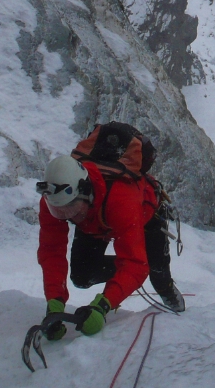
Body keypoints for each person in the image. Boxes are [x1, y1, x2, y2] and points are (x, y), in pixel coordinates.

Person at [35, 122, 184, 340]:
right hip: (96, 221)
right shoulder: (56, 200)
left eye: (73, 209)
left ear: (86, 193)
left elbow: (135, 265)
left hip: (145, 218)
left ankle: (177, 308)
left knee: (155, 272)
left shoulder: (121, 200)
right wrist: (54, 302)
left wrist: (102, 305)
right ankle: (134, 273)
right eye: (62, 213)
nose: (69, 217)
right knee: (82, 276)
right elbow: (51, 251)